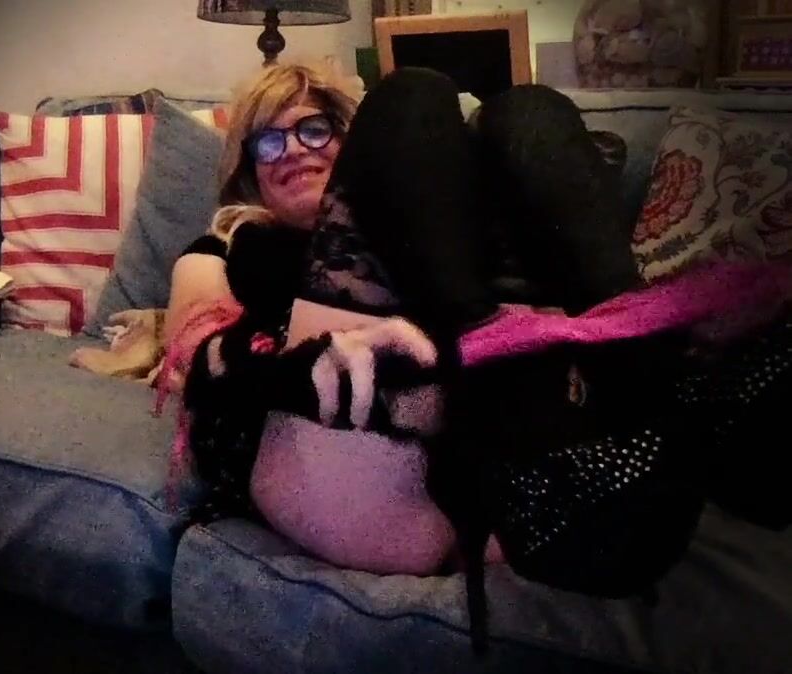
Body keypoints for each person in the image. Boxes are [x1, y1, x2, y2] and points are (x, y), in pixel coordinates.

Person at [159, 60, 792, 653]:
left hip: (489, 445)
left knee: (528, 113)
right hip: (342, 452)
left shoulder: (441, 232)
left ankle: (660, 389)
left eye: (315, 128)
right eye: (269, 142)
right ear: (248, 173)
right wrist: (301, 361)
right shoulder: (226, 247)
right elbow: (196, 353)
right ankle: (659, 404)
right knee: (410, 95)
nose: (295, 149)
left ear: (352, 145)